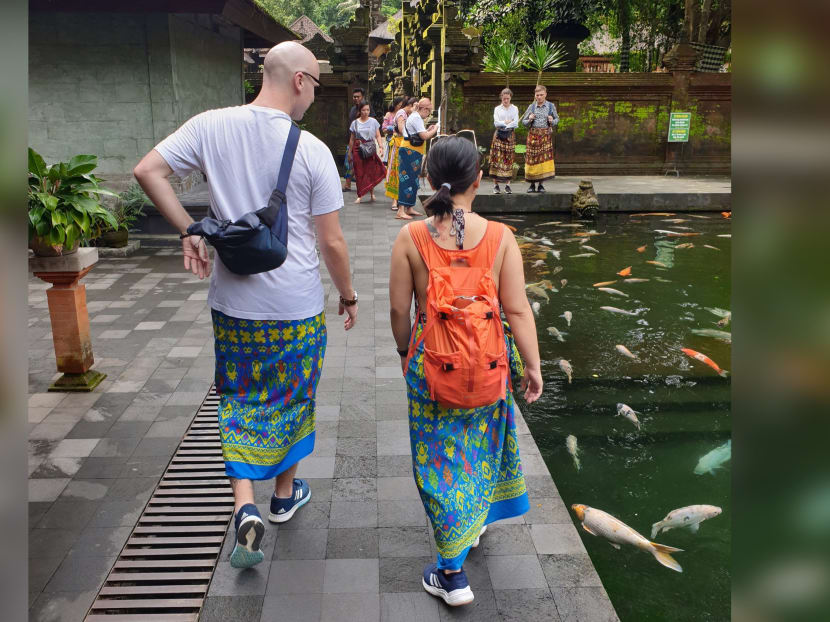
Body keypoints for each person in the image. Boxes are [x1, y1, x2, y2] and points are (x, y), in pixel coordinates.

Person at [133, 41, 359, 570]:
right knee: (293, 397)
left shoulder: (211, 125)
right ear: (300, 80)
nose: (313, 96)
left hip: (234, 306)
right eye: (316, 85)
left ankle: (245, 509)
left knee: (238, 398)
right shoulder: (312, 150)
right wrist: (347, 295)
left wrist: (189, 229)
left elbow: (148, 170)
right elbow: (331, 243)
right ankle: (284, 495)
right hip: (297, 306)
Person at [388, 136, 543, 606]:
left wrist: (404, 352)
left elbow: (400, 312)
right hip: (489, 366)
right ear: (479, 179)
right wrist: (533, 367)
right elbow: (517, 312)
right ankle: (469, 528)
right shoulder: (500, 238)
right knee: (477, 450)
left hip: (430, 367)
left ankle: (452, 574)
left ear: (430, 180)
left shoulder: (411, 237)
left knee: (439, 462)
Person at [396, 97, 438, 220]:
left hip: (414, 151)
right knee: (406, 179)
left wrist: (428, 129)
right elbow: (424, 136)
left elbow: (420, 133)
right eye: (429, 111)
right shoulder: (415, 117)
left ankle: (409, 207)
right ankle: (401, 210)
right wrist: (434, 130)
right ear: (424, 109)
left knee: (414, 180)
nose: (428, 114)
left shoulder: (416, 117)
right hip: (409, 151)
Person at [520, 84, 559, 193]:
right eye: (537, 95)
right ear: (535, 95)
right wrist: (529, 119)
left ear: (545, 94)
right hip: (533, 136)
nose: (539, 97)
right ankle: (532, 185)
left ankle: (541, 185)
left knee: (543, 160)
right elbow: (524, 123)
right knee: (532, 160)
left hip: (545, 136)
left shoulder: (551, 106)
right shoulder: (531, 107)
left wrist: (552, 120)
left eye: (541, 95)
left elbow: (557, 120)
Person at [347, 100, 386, 203]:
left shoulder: (373, 121)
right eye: (363, 110)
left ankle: (372, 193)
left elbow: (378, 135)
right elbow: (352, 139)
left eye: (368, 110)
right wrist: (349, 152)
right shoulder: (354, 123)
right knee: (359, 171)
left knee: (370, 171)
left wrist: (381, 146)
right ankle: (360, 194)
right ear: (360, 111)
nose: (366, 112)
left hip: (369, 148)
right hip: (358, 147)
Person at [385, 96, 416, 211]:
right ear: (410, 105)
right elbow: (402, 128)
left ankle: (402, 200)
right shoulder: (402, 113)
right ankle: (395, 200)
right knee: (396, 171)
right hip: (398, 145)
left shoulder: (408, 115)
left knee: (404, 172)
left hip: (404, 145)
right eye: (415, 106)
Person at [489, 88, 519, 195]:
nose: (505, 100)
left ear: (510, 97)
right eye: (503, 98)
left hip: (510, 135)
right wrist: (506, 122)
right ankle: (496, 185)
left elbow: (516, 123)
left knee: (509, 159)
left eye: (507, 98)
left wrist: (505, 123)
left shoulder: (514, 108)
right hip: (498, 135)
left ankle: (508, 185)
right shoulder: (497, 109)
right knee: (496, 159)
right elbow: (496, 123)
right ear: (501, 97)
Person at [342, 87, 366, 192]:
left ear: (362, 97)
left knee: (364, 164)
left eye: (358, 97)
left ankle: (366, 186)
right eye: (354, 97)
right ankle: (347, 184)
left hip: (364, 141)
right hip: (352, 139)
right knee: (349, 161)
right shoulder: (352, 109)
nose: (356, 99)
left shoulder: (366, 109)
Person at [381, 98, 403, 164]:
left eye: (402, 105)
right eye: (399, 105)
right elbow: (384, 129)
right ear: (395, 105)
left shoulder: (403, 114)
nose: (401, 107)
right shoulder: (389, 114)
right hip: (391, 140)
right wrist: (393, 129)